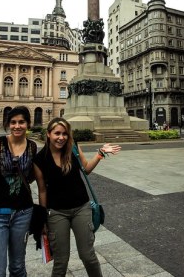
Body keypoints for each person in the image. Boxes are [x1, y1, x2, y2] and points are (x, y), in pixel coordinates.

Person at [34, 117, 121, 277]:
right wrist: (43, 218)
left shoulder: (73, 148)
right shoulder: (40, 159)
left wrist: (100, 153)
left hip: (81, 208)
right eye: (57, 133)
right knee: (61, 260)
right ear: (48, 134)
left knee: (88, 256)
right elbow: (42, 191)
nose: (61, 137)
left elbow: (86, 169)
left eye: (65, 134)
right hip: (56, 212)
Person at [0, 106, 46, 277]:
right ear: (8, 124)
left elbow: (35, 177)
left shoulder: (32, 147)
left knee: (18, 267)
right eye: (13, 122)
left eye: (21, 122)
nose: (17, 126)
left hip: (23, 213)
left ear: (27, 124)